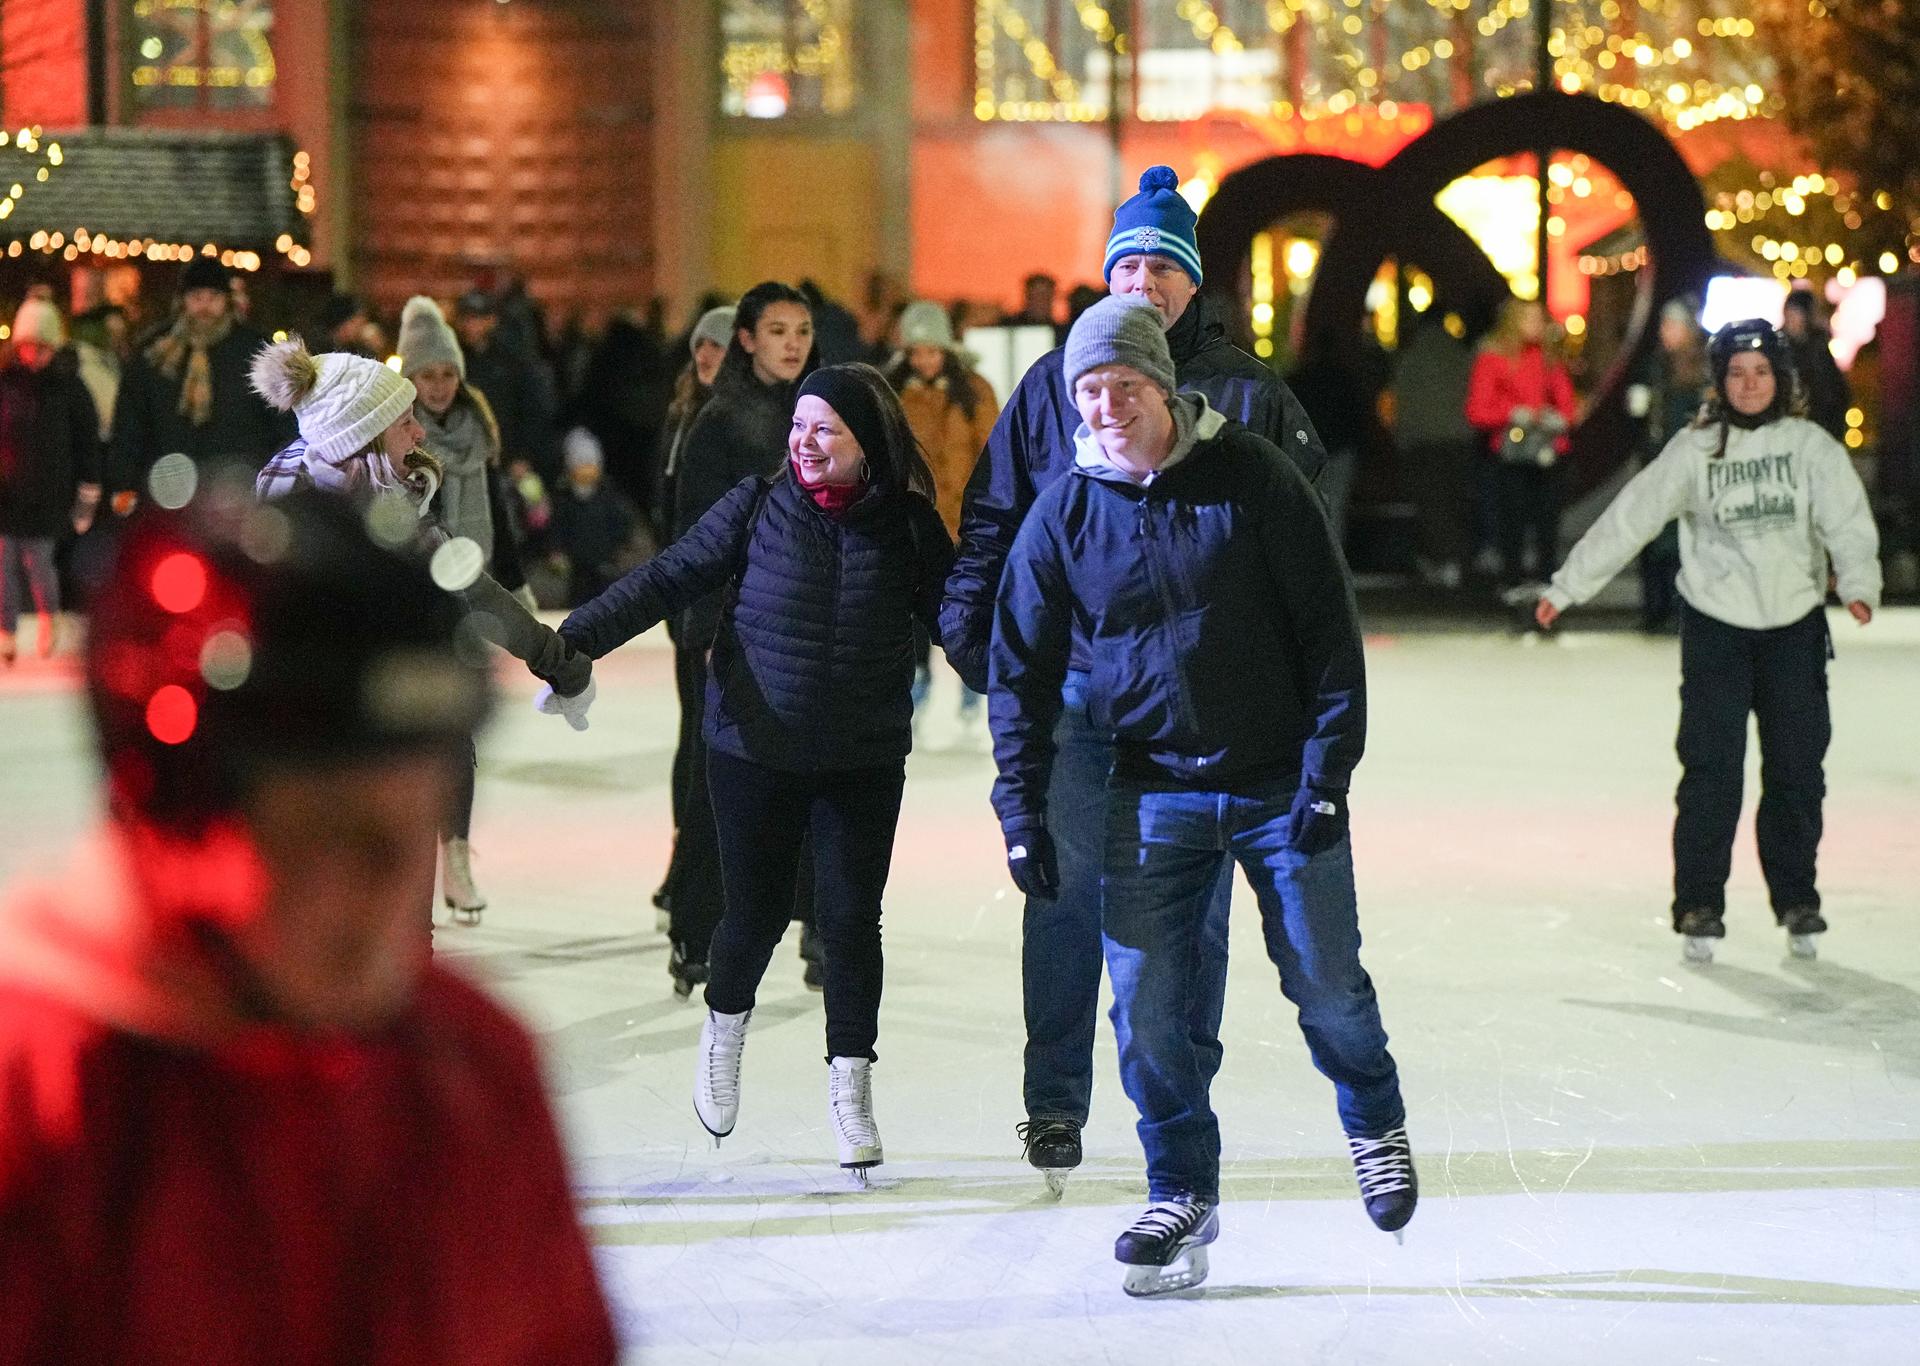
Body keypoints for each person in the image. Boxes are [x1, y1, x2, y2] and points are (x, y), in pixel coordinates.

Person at [0, 491, 619, 1364]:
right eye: (335, 841)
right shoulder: (41, 1098)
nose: (382, 902)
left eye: (410, 844)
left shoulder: (470, 1073)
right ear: (181, 819)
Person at [990, 297, 1412, 1296]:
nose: (1106, 407)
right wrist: (1024, 810)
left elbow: (1327, 633)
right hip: (1151, 788)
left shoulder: (1252, 479)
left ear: (1163, 387)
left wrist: (1324, 776)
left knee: (1323, 979)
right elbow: (1021, 670)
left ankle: (1373, 1117)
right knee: (1147, 1012)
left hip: (1276, 783)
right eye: (1089, 392)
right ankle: (1181, 1186)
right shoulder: (1068, 512)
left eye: (1124, 387)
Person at [943, 164, 1330, 1187]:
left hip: (1198, 708)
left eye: (1165, 265)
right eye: (1129, 262)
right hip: (1072, 698)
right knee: (1062, 892)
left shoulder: (1247, 395)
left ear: (1193, 286)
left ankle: (1179, 1099)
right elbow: (990, 525)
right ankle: (1055, 1103)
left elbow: (1306, 555)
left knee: (1186, 908)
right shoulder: (1048, 391)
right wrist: (975, 639)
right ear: (1105, 274)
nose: (1146, 279)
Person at [558, 364, 953, 1182]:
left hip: (862, 755)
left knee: (850, 921)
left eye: (824, 430)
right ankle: (723, 1033)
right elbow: (668, 576)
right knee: (756, 913)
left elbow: (963, 628)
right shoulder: (755, 504)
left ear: (865, 442)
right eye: (799, 426)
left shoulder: (910, 528)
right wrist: (573, 643)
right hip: (753, 746)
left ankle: (852, 1087)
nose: (804, 443)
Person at [1536, 318, 1880, 964]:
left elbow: (1847, 521)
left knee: (1798, 771)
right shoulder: (1696, 452)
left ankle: (1797, 896)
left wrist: (1858, 580)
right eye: (1736, 374)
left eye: (1761, 372)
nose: (1749, 385)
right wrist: (1568, 585)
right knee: (1711, 771)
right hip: (1717, 630)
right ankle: (1699, 901)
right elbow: (1631, 517)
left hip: (1793, 629)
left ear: (1780, 379)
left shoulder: (1809, 448)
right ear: (1720, 383)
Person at [250, 336, 595, 937]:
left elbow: (471, 589)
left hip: (352, 763)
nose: (419, 434)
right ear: (358, 437)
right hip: (327, 766)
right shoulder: (327, 526)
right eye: (404, 423)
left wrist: (552, 655)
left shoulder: (368, 497)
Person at [663, 282, 820, 999]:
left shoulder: (824, 413)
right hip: (733, 629)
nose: (793, 342)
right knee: (717, 781)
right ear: (747, 340)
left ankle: (820, 927)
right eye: (778, 330)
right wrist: (700, 628)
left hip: (812, 628)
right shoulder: (719, 423)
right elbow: (696, 537)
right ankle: (696, 930)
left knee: (820, 778)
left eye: (803, 330)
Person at [396, 294, 541, 919]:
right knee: (405, 744)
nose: (438, 384)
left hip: (466, 601)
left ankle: (455, 856)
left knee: (456, 736)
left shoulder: (478, 430)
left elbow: (501, 523)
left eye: (447, 373)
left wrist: (519, 596)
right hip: (408, 603)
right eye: (427, 373)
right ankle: (404, 869)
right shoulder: (394, 434)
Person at [650, 304, 735, 931]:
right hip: (686, 594)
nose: (706, 355)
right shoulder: (682, 416)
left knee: (715, 738)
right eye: (701, 344)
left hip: (725, 600)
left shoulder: (731, 422)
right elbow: (668, 511)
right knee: (692, 734)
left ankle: (710, 866)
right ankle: (687, 856)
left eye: (720, 347)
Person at [883, 300, 1001, 736]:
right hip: (912, 517)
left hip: (964, 519)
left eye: (932, 351)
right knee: (914, 607)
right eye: (917, 352)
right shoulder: (894, 392)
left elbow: (993, 452)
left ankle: (971, 681)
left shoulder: (974, 392)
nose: (925, 360)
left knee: (965, 603)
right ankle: (919, 678)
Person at [108, 258, 289, 508]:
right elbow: (130, 426)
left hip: (237, 491)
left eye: (213, 296)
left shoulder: (256, 353)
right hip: (166, 491)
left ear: (227, 300)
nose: (204, 306)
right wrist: (124, 483)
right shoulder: (153, 355)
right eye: (196, 296)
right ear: (183, 301)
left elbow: (282, 424)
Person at [0, 298, 100, 664]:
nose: (32, 355)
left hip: (48, 496)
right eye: (27, 346)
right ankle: (6, 632)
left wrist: (86, 495)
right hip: (8, 494)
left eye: (40, 347)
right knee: (4, 567)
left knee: (39, 565)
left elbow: (87, 444)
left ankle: (48, 619)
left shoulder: (70, 389)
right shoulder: (7, 382)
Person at [1465, 297, 1577, 596]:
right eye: (1530, 319)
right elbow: (1477, 410)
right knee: (1511, 519)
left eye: (1540, 319)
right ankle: (1513, 580)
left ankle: (1545, 580)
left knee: (1547, 520)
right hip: (1511, 453)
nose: (1537, 326)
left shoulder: (1549, 358)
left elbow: (1567, 406)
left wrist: (1554, 418)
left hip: (1548, 451)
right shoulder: (1492, 357)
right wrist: (1514, 414)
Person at [1626, 299, 1710, 631]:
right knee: (1653, 535)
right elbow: (1638, 412)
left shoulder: (1703, 368)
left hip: (1690, 465)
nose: (1666, 332)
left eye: (1672, 325)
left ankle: (1683, 609)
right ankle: (1654, 608)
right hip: (1656, 461)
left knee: (1684, 537)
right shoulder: (1653, 366)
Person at [1392, 308, 1478, 589]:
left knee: (1432, 504)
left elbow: (1402, 403)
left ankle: (1445, 561)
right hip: (1460, 441)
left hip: (1423, 444)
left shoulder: (1411, 360)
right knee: (1457, 502)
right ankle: (1459, 561)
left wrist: (1401, 438)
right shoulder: (1460, 356)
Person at [456, 288, 560, 482]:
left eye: (476, 319)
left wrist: (523, 456)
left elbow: (531, 411)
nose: (470, 326)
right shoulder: (454, 361)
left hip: (506, 460)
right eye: (466, 319)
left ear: (491, 321)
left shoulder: (514, 362)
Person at [548, 427, 637, 606]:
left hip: (606, 566)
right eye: (581, 464)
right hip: (576, 571)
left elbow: (623, 523)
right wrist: (557, 551)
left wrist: (620, 548)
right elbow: (557, 527)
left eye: (591, 464)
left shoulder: (609, 496)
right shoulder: (563, 499)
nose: (587, 470)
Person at [1779, 290, 1851, 440]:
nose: (1790, 319)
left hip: (1820, 427)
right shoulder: (1779, 348)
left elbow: (1835, 391)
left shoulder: (1818, 348)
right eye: (1788, 313)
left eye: (1795, 313)